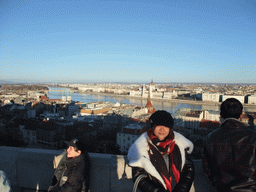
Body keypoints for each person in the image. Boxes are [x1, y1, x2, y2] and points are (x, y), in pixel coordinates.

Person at [128, 110, 195, 192]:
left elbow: (188, 169)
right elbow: (138, 176)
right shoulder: (141, 147)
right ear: (153, 126)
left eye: (166, 126)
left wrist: (181, 190)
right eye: (158, 125)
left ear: (170, 128)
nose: (162, 129)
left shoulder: (178, 144)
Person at [202, 98, 256, 192]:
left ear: (221, 115)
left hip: (223, 189)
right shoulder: (253, 136)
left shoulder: (210, 138)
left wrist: (217, 183)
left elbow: (207, 168)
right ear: (241, 114)